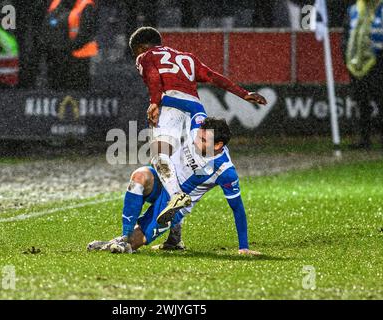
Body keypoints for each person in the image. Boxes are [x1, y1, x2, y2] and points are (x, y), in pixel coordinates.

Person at [128, 27, 267, 229]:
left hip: (171, 106)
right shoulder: (187, 58)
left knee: (160, 157)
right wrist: (243, 93)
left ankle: (176, 197)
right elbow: (212, 76)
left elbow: (153, 77)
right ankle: (175, 237)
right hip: (195, 109)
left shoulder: (145, 56)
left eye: (136, 52)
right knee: (177, 166)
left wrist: (155, 102)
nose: (136, 57)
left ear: (140, 47)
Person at [88, 117, 261, 255]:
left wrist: (243, 247)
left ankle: (123, 242)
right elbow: (188, 95)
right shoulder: (198, 123)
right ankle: (125, 235)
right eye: (198, 136)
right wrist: (156, 102)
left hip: (175, 204)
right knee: (140, 175)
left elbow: (237, 208)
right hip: (164, 181)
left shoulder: (225, 171)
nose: (195, 142)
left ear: (218, 145)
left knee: (133, 244)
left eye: (202, 140)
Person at [344, 0, 383, 148]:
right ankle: (364, 139)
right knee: (361, 103)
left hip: (380, 63)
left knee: (382, 102)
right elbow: (347, 37)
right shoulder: (353, 10)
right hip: (358, 65)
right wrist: (348, 60)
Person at [44, 0, 98, 90]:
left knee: (78, 91)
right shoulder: (56, 3)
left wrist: (65, 47)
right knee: (56, 89)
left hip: (80, 58)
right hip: (58, 57)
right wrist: (53, 46)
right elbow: (48, 26)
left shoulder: (86, 5)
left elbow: (85, 33)